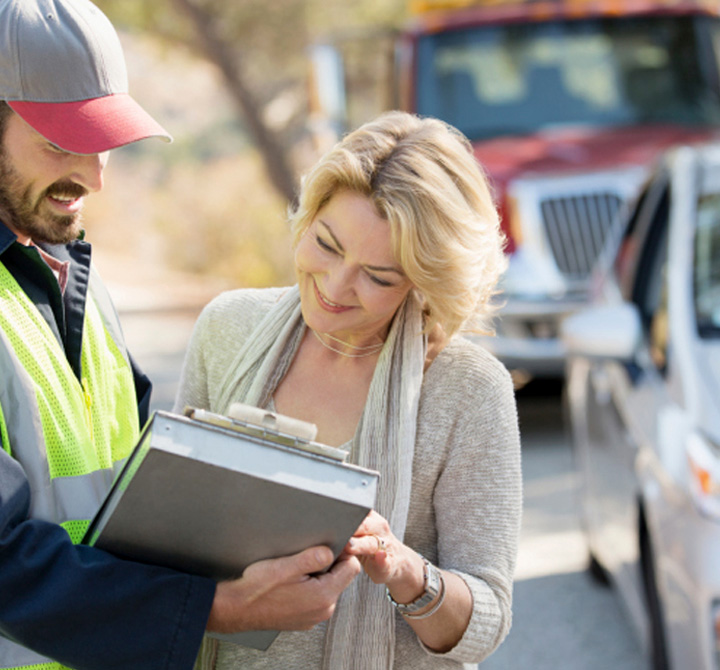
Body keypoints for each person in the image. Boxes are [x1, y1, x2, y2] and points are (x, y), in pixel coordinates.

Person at [0, 1, 360, 669]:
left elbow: (135, 484)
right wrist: (216, 609)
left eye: (102, 140)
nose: (96, 177)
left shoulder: (69, 268)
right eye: (59, 142)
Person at [175, 110, 522, 669]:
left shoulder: (469, 389)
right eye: (328, 245)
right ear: (308, 217)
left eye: (378, 276)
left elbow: (485, 623)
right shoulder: (227, 328)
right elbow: (174, 540)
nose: (337, 287)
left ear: (424, 282)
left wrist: (401, 567)